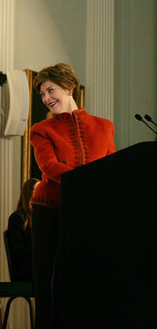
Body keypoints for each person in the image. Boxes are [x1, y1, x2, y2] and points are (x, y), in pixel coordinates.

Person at [29, 63, 116, 329]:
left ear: (69, 88)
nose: (46, 98)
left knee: (89, 283)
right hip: (51, 212)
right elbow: (49, 167)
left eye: (50, 90)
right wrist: (88, 184)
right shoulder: (40, 129)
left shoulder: (105, 126)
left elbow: (112, 169)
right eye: (42, 93)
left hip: (90, 214)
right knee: (50, 285)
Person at [7, 178, 39, 282]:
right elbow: (18, 250)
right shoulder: (17, 217)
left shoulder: (39, 217)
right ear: (29, 192)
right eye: (36, 189)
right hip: (25, 268)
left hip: (37, 264)